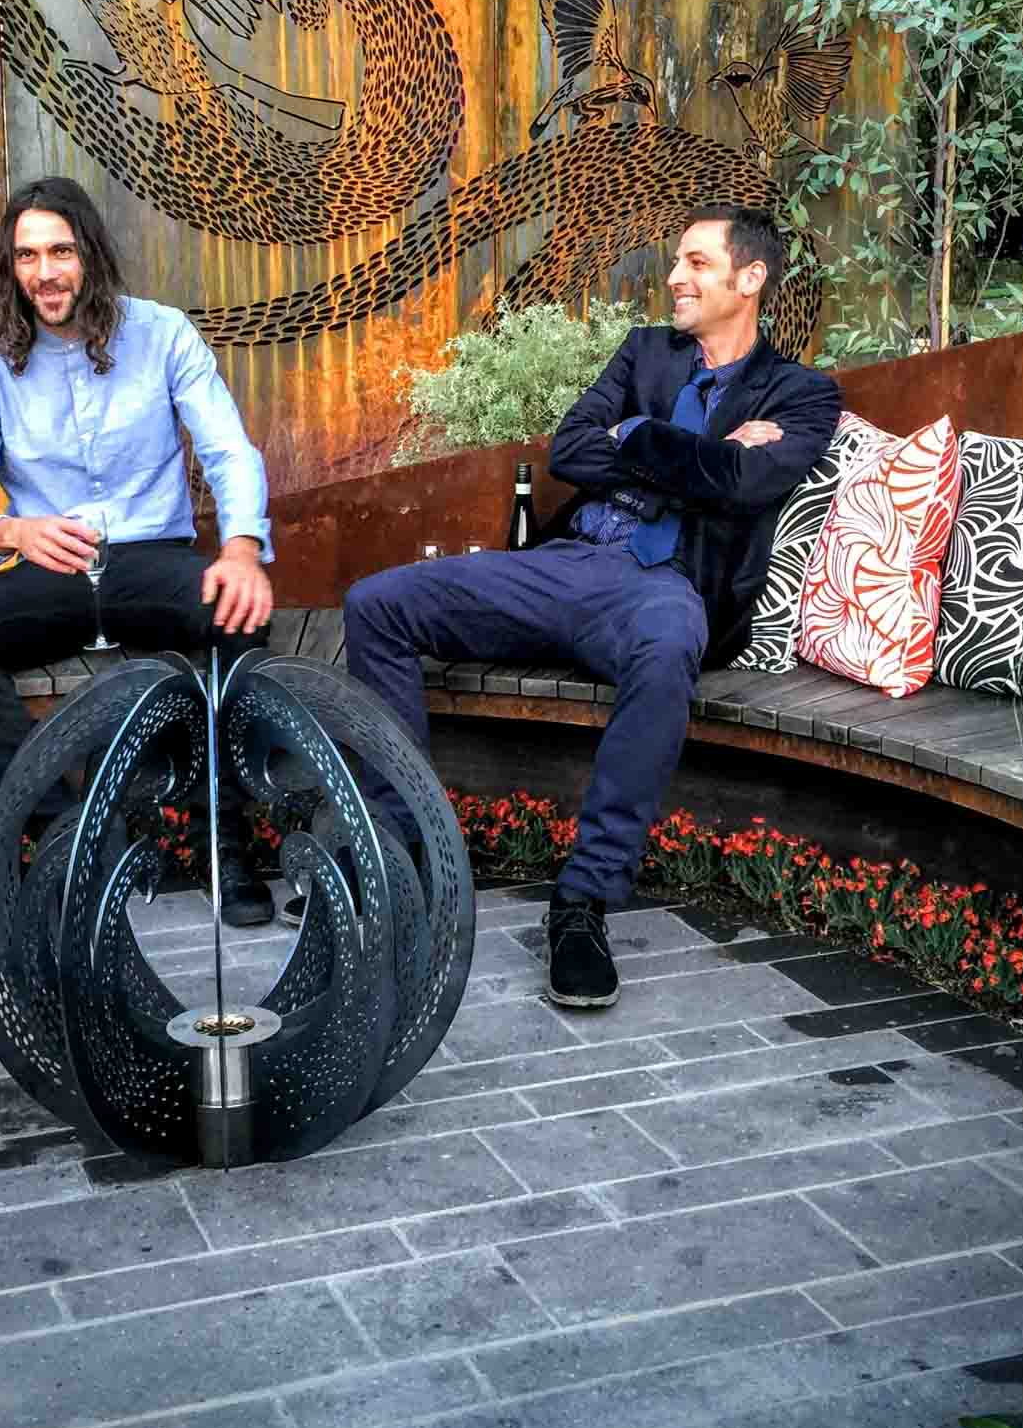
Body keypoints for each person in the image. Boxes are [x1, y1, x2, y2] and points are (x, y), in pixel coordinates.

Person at [344, 204, 842, 1006]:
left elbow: (746, 485)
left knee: (668, 650)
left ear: (750, 279)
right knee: (377, 604)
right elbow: (569, 452)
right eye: (677, 262)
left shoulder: (801, 393)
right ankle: (398, 855)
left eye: (697, 263)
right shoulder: (646, 351)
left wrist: (634, 438)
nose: (675, 278)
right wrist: (684, 446)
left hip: (664, 587)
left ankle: (582, 901)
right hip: (568, 564)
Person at [0, 176, 281, 924]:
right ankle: (67, 833)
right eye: (26, 256)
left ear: (90, 254)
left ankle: (223, 844)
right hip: (53, 566)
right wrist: (13, 531)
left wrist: (242, 549)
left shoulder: (163, 334)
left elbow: (228, 451)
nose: (44, 272)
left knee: (236, 615)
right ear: (10, 268)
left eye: (60, 252)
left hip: (152, 559)